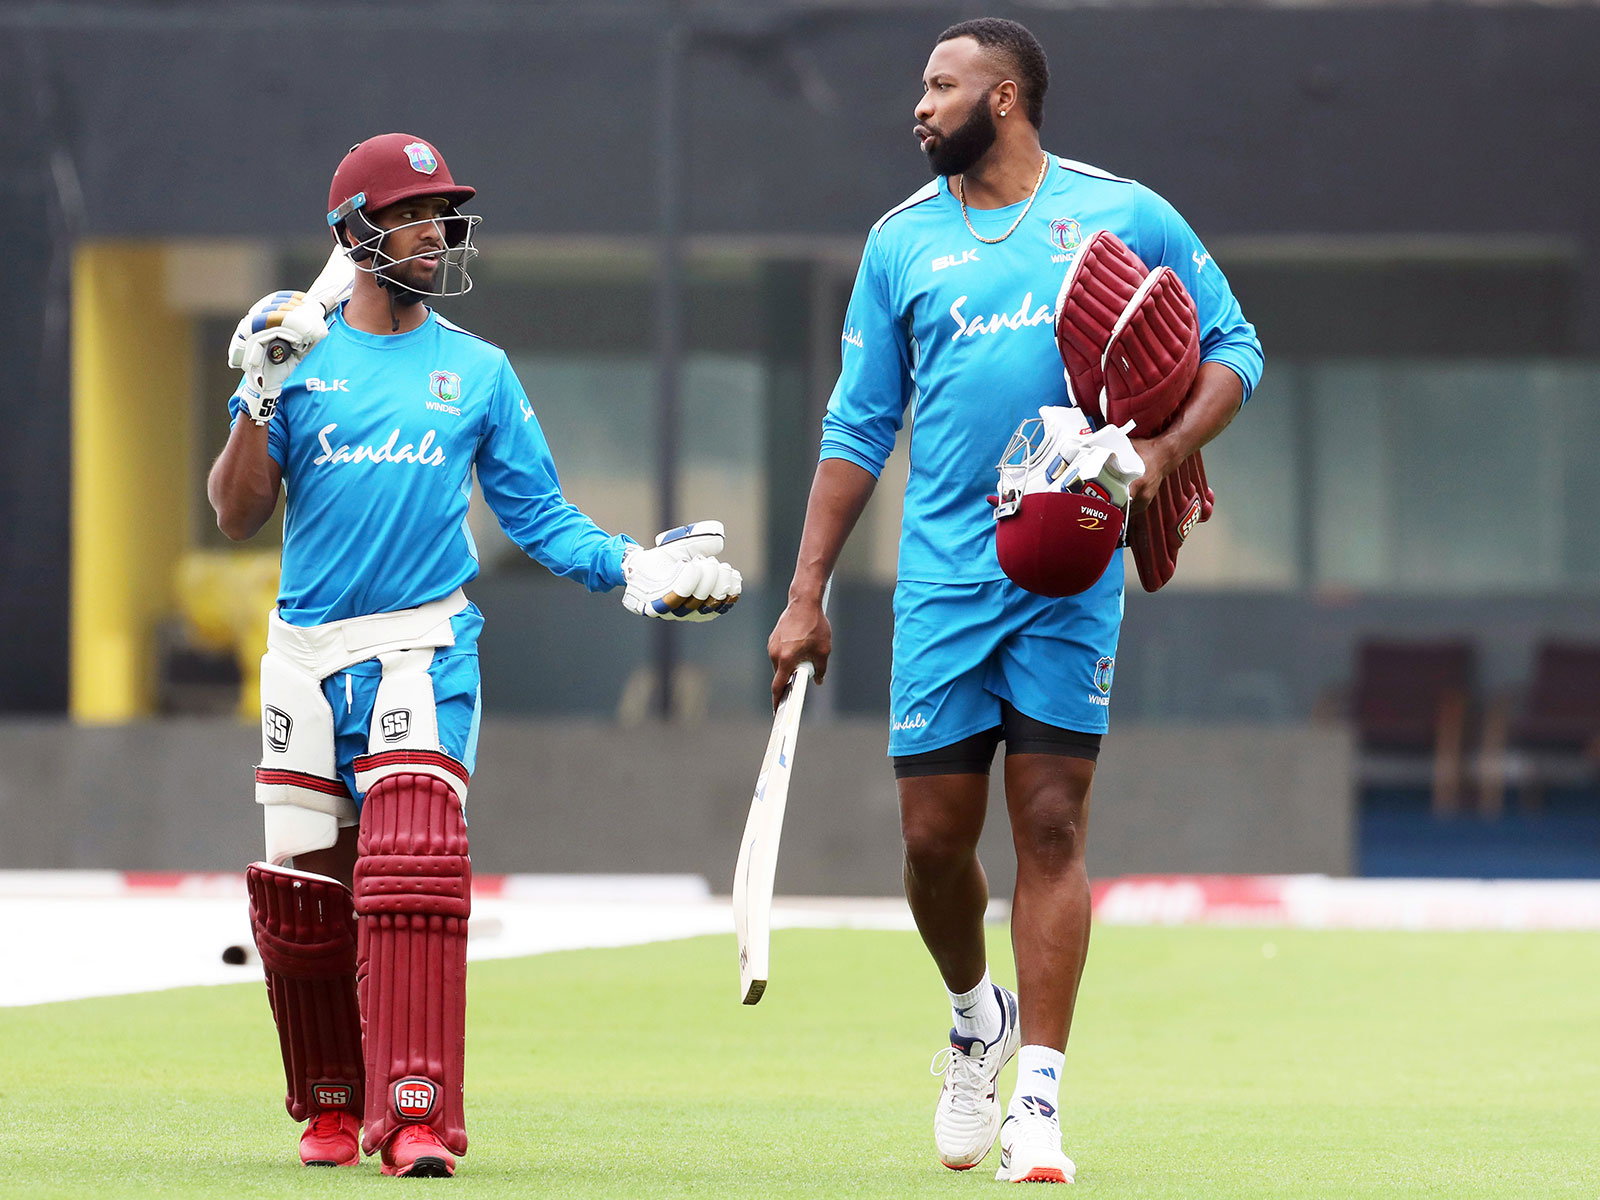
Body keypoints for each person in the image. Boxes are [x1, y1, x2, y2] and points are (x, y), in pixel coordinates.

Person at [766, 19, 1262, 1185]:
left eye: (940, 85)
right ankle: (971, 1017)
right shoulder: (899, 243)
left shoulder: (1123, 213)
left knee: (1049, 827)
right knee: (933, 845)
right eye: (921, 87)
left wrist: (1156, 451)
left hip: (1069, 572)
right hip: (942, 581)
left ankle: (1036, 1103)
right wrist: (805, 596)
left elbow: (1234, 344)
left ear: (1005, 96)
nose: (919, 105)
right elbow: (856, 426)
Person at [208, 132, 742, 1178]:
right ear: (356, 233)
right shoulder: (292, 346)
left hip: (423, 644)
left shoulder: (479, 371)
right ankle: (330, 1098)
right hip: (304, 651)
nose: (437, 231)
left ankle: (415, 1115)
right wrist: (258, 392)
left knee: (410, 876)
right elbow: (235, 513)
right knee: (308, 895)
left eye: (442, 214)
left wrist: (633, 570)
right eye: (413, 214)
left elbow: (540, 517)